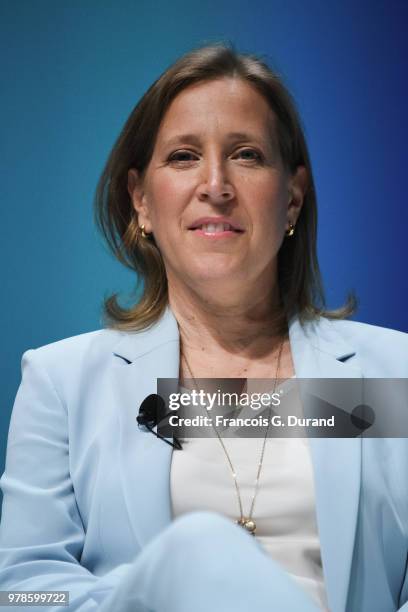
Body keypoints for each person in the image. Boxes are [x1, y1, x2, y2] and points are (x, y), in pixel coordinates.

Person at [0, 43, 407, 612]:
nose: (215, 185)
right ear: (140, 199)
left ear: (292, 197)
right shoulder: (63, 384)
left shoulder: (396, 377)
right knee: (201, 547)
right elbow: (24, 591)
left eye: (246, 155)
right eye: (184, 157)